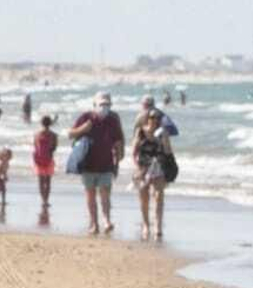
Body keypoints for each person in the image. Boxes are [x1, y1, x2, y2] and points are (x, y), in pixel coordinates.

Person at [68, 92, 126, 235]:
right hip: (88, 164)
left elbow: (118, 141)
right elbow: (70, 134)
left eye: (107, 104)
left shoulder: (113, 120)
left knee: (105, 192)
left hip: (106, 164)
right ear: (95, 105)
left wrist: (118, 162)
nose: (104, 107)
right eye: (101, 105)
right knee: (90, 194)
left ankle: (106, 221)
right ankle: (94, 223)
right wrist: (83, 129)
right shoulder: (86, 117)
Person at [132, 108, 174, 240]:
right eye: (152, 117)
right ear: (147, 118)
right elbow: (134, 151)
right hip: (143, 167)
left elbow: (168, 152)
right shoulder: (140, 132)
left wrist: (165, 138)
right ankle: (145, 225)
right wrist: (137, 167)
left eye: (157, 118)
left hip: (158, 167)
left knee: (158, 196)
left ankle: (158, 227)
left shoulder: (162, 133)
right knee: (144, 198)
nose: (154, 120)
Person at [32, 115, 58, 211]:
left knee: (40, 181)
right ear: (50, 123)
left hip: (38, 160)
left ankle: (43, 200)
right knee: (48, 181)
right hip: (49, 160)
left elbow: (35, 147)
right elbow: (54, 148)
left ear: (41, 123)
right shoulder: (53, 135)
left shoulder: (37, 134)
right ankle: (46, 200)